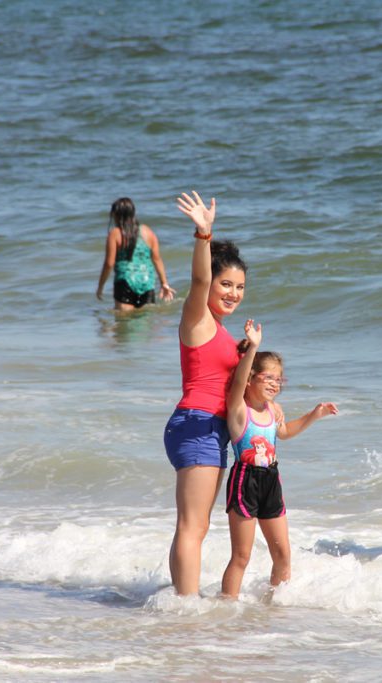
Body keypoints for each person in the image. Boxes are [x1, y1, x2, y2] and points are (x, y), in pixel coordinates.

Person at [163, 190, 247, 596]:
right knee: (191, 526)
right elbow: (197, 279)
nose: (232, 292)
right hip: (196, 423)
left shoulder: (226, 333)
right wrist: (204, 235)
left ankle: (182, 600)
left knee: (196, 525)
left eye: (240, 286)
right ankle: (185, 607)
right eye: (225, 284)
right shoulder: (197, 319)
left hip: (211, 429)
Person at [221, 319, 337, 599]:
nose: (275, 384)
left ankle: (274, 609)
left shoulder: (274, 411)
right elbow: (237, 381)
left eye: (279, 379)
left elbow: (283, 434)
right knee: (241, 556)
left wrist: (314, 414)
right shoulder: (239, 409)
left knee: (283, 555)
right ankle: (226, 608)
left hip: (271, 481)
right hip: (245, 481)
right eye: (269, 378)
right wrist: (253, 347)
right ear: (251, 378)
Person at [96, 197, 176, 310]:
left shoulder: (115, 234)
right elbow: (157, 259)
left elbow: (109, 263)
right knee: (145, 324)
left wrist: (100, 287)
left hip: (125, 282)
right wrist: (164, 283)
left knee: (124, 324)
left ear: (116, 215)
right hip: (147, 282)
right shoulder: (147, 232)